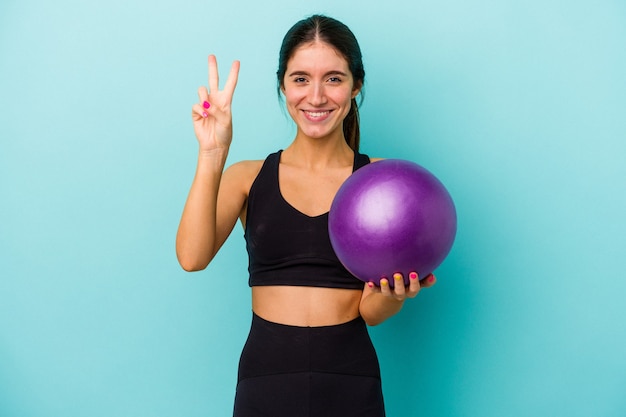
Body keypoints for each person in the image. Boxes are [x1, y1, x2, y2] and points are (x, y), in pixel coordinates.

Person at [176, 14, 436, 417]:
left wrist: (392, 297)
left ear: (356, 86)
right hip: (266, 378)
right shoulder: (247, 177)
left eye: (333, 78)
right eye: (300, 79)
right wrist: (212, 152)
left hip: (351, 380)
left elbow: (370, 313)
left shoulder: (382, 184)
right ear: (282, 85)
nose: (316, 97)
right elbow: (192, 258)